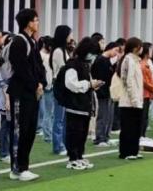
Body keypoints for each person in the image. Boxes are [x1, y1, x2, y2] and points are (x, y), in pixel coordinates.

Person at [7, 8, 47, 181]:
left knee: (30, 130)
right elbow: (21, 68)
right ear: (28, 23)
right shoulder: (19, 42)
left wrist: (42, 82)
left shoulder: (32, 41)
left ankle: (24, 166)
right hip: (20, 93)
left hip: (32, 93)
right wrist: (35, 84)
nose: (37, 23)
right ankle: (17, 168)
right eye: (35, 20)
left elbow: (39, 66)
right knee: (19, 129)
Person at [59, 37, 101, 170]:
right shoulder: (73, 64)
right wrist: (88, 84)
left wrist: (93, 85)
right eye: (92, 53)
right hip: (75, 105)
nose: (93, 56)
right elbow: (70, 84)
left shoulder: (85, 64)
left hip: (85, 104)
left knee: (82, 133)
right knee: (74, 132)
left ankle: (79, 156)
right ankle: (72, 158)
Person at [116, 37, 144, 160]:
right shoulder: (129, 60)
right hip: (129, 101)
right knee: (128, 128)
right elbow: (129, 81)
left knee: (136, 128)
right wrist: (134, 100)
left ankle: (134, 150)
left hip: (136, 98)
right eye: (140, 46)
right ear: (135, 48)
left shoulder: (136, 60)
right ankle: (126, 152)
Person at [91, 41, 123, 147]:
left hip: (110, 91)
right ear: (110, 48)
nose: (116, 53)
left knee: (109, 115)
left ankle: (106, 136)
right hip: (102, 91)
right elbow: (100, 75)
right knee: (103, 115)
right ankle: (100, 137)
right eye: (115, 50)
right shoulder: (101, 60)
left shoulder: (108, 61)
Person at [49, 25, 73, 155]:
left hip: (64, 86)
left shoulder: (63, 50)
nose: (71, 37)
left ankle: (63, 144)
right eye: (69, 34)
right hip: (60, 86)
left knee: (63, 118)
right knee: (59, 118)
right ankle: (58, 146)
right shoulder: (59, 51)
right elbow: (65, 68)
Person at [140, 43, 153, 137]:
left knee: (145, 115)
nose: (152, 52)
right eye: (150, 50)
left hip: (147, 92)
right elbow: (144, 81)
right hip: (144, 93)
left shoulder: (147, 63)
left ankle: (143, 135)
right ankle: (141, 135)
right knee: (143, 116)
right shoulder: (142, 64)